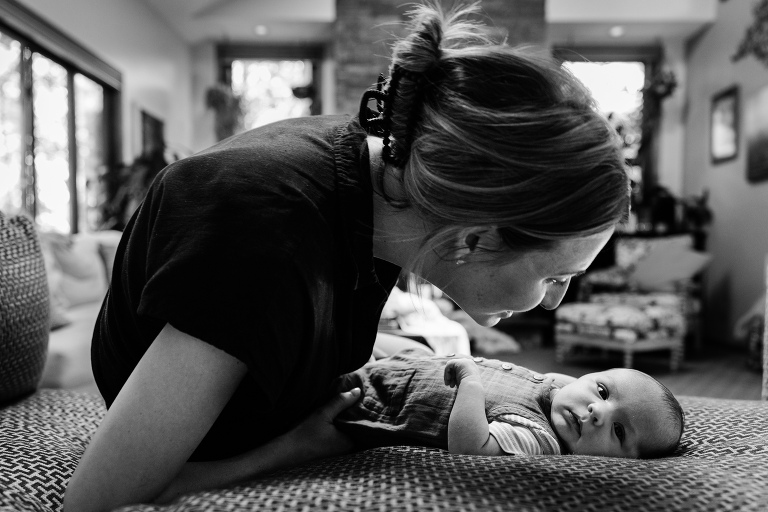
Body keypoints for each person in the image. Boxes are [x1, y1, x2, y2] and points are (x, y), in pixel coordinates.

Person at [63, 2, 631, 511]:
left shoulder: (391, 185)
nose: (556, 300)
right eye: (556, 276)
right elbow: (97, 498)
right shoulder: (263, 235)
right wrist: (297, 447)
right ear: (477, 239)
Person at [334, 348, 684, 459]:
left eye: (619, 430)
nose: (597, 412)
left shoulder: (540, 438)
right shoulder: (560, 390)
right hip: (394, 366)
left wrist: (471, 384)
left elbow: (470, 447)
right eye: (603, 392)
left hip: (369, 407)